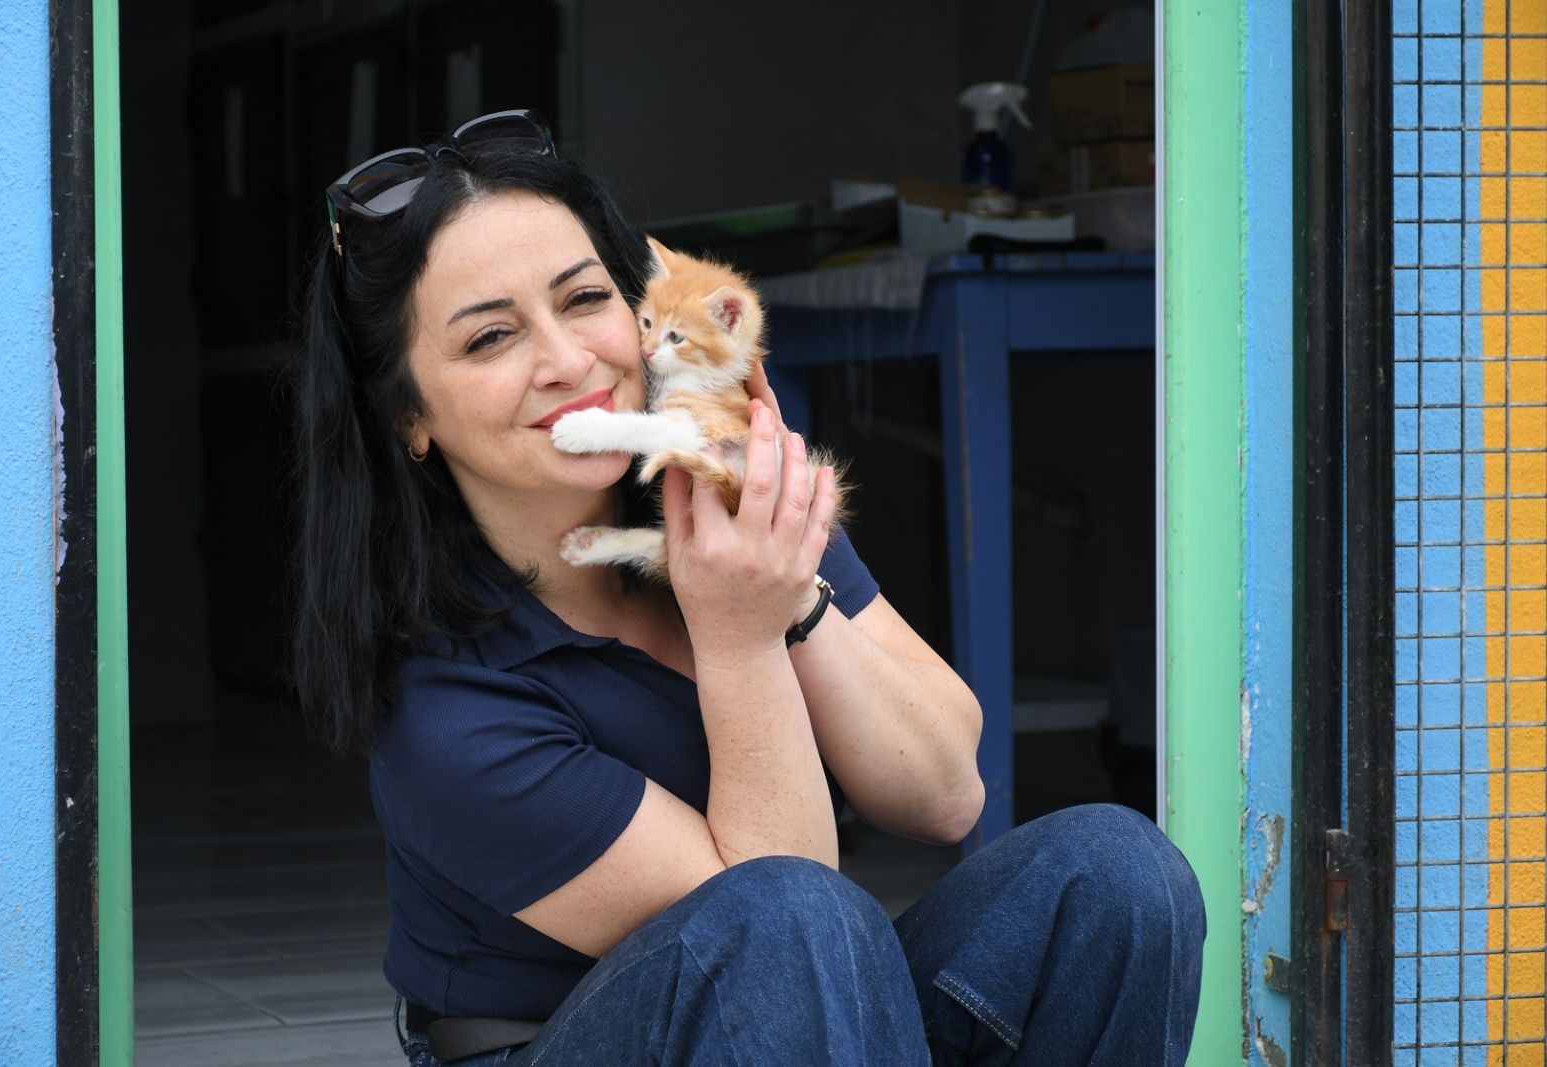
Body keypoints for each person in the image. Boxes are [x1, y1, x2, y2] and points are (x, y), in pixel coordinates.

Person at [290, 110, 1206, 1066]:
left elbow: (947, 793)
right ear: (407, 415)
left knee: (1114, 871)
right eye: (490, 337)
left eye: (586, 298)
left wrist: (789, 591)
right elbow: (783, 939)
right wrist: (739, 635)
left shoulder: (719, 509)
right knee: (789, 914)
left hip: (807, 996)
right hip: (558, 1043)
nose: (567, 362)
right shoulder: (441, 703)